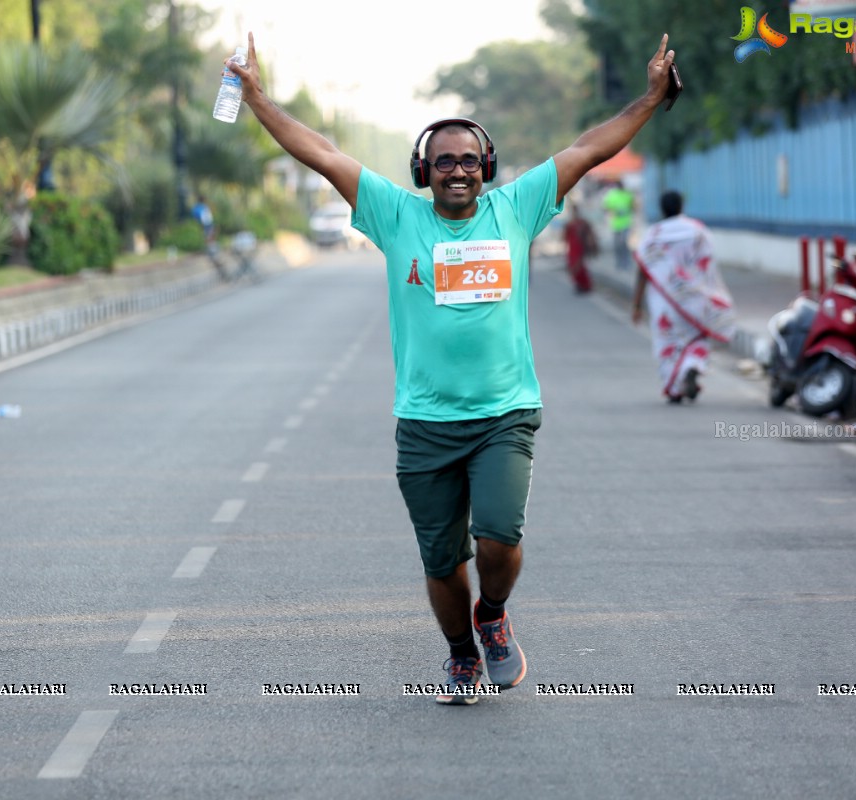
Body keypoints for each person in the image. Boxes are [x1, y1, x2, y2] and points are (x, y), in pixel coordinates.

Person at [229, 31, 677, 704]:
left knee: (498, 541)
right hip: (425, 423)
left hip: (504, 414)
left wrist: (648, 99)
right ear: (423, 171)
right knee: (442, 563)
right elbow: (319, 151)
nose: (458, 171)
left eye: (470, 160)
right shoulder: (393, 214)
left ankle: (492, 616)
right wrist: (257, 97)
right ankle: (461, 652)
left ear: (487, 166)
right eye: (444, 162)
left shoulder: (517, 207)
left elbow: (590, 148)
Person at [631, 190, 736, 403]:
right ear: (682, 206)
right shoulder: (698, 231)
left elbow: (643, 270)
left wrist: (636, 305)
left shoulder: (653, 234)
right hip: (694, 298)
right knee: (696, 336)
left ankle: (675, 388)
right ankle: (692, 366)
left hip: (662, 299)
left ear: (661, 208)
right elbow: (708, 268)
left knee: (667, 341)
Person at [563, 203, 598, 294]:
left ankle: (586, 285)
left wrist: (591, 245)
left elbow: (590, 234)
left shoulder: (583, 223)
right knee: (573, 266)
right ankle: (578, 284)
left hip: (580, 248)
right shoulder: (569, 224)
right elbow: (564, 237)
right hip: (572, 248)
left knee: (580, 267)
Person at [601, 181, 635, 270]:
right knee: (617, 245)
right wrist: (613, 212)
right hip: (616, 224)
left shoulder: (627, 194)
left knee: (623, 243)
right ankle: (619, 262)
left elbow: (633, 206)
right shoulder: (612, 196)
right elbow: (606, 207)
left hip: (625, 223)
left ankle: (626, 262)